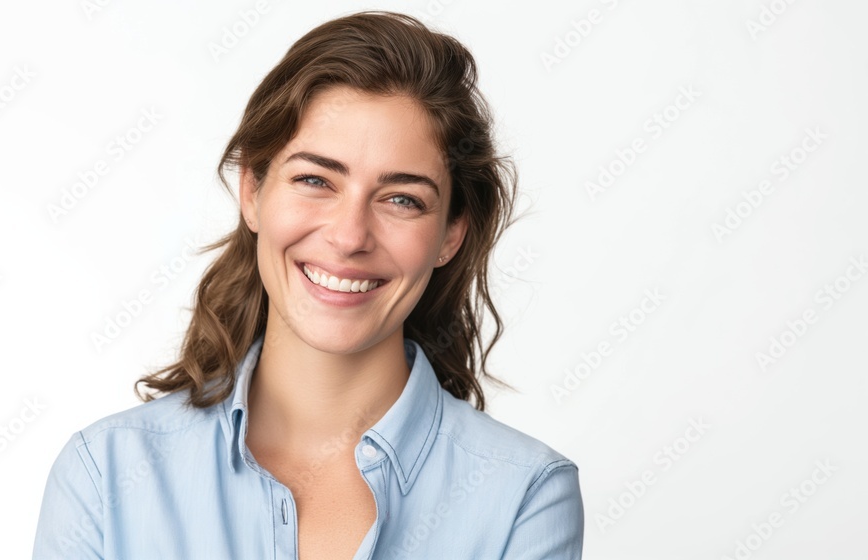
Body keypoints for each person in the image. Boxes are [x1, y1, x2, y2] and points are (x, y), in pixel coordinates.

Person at [33, 10, 583, 560]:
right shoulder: (104, 475)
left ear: (451, 233)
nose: (349, 237)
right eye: (315, 180)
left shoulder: (524, 497)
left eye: (402, 198)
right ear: (252, 190)